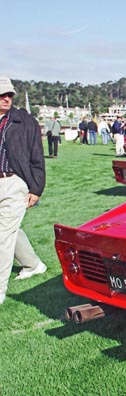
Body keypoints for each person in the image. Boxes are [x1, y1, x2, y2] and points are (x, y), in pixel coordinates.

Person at [0, 77, 47, 305]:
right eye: (2, 95)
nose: (7, 98)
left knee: (2, 237)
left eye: (9, 94)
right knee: (10, 231)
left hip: (15, 183)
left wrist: (36, 188)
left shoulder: (24, 121)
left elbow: (37, 155)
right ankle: (33, 264)